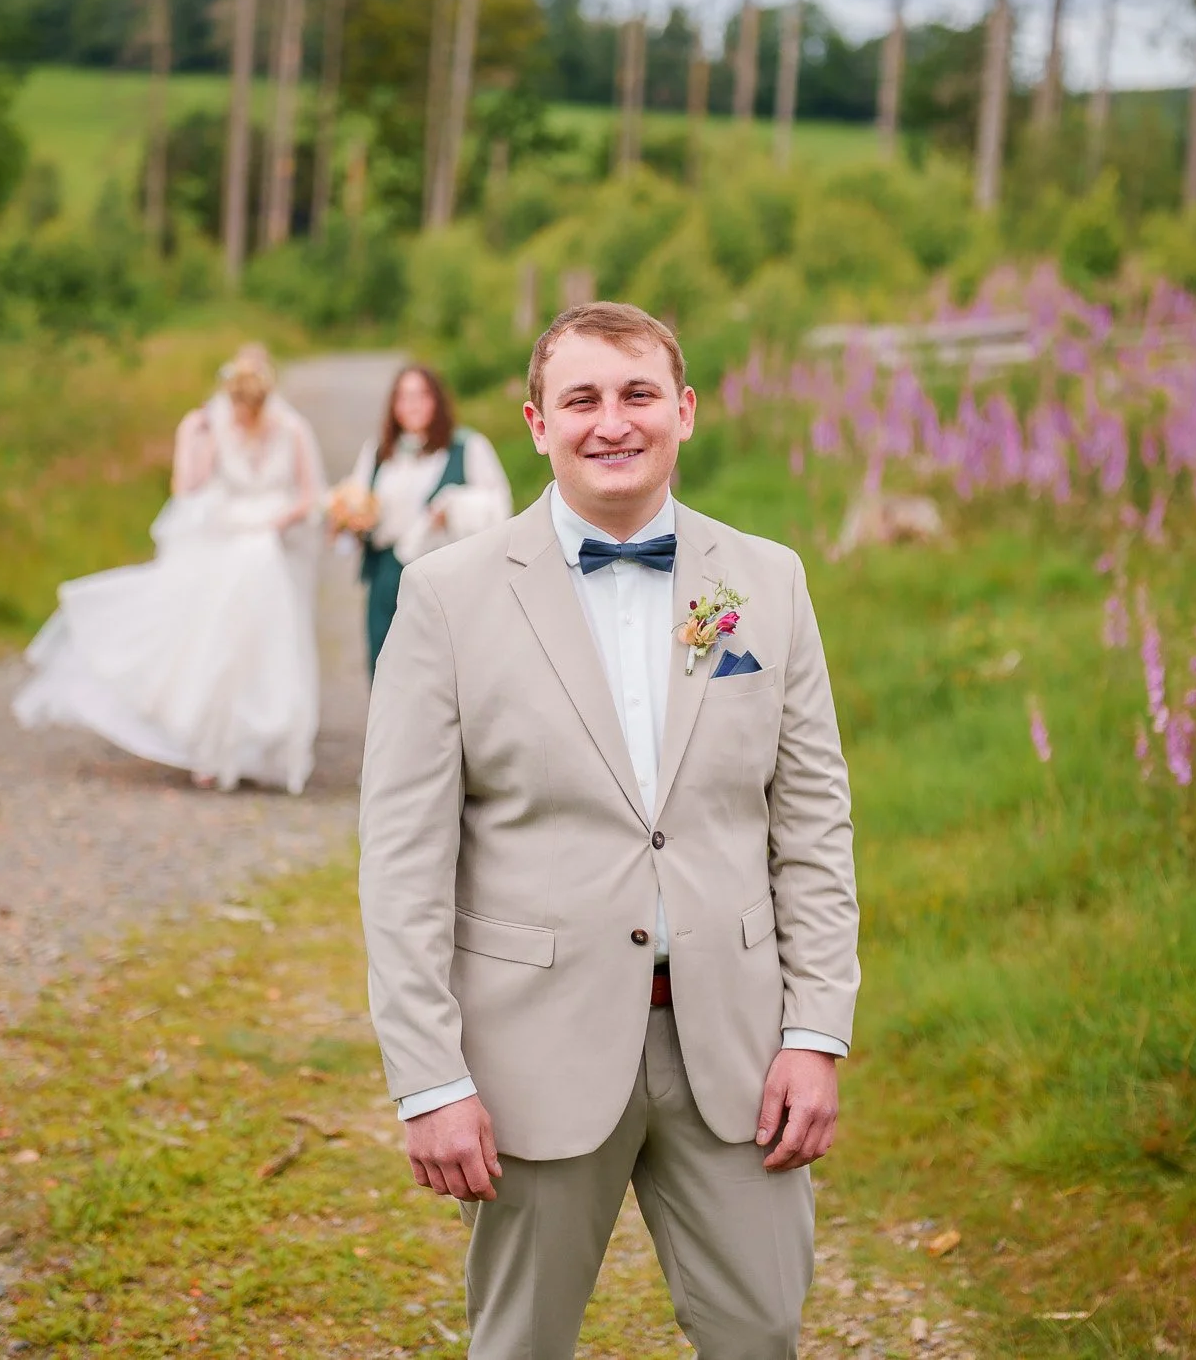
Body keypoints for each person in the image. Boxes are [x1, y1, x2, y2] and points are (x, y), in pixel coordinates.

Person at [359, 301, 860, 1359]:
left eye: (638, 393)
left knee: (761, 1332)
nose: (612, 421)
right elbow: (403, 862)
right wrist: (430, 1076)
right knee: (522, 1342)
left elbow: (813, 820)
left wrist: (816, 1033)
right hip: (531, 1048)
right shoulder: (446, 596)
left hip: (735, 1047)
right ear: (537, 423)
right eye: (581, 398)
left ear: (685, 410)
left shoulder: (766, 579)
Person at [12, 344, 324, 793]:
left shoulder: (292, 430)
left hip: (272, 547)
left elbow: (310, 495)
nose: (242, 416)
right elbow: (188, 488)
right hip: (230, 542)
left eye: (249, 406)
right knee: (219, 645)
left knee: (269, 646)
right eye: (237, 405)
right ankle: (213, 745)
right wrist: (190, 438)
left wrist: (276, 523)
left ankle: (264, 744)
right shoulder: (214, 428)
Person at [338, 365, 514, 674]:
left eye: (421, 396)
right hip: (386, 577)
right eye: (404, 397)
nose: (413, 405)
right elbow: (356, 500)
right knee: (384, 664)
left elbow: (499, 508)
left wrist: (454, 510)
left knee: (439, 666)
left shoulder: (467, 447)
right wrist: (353, 518)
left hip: (443, 577)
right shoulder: (379, 452)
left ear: (437, 401)